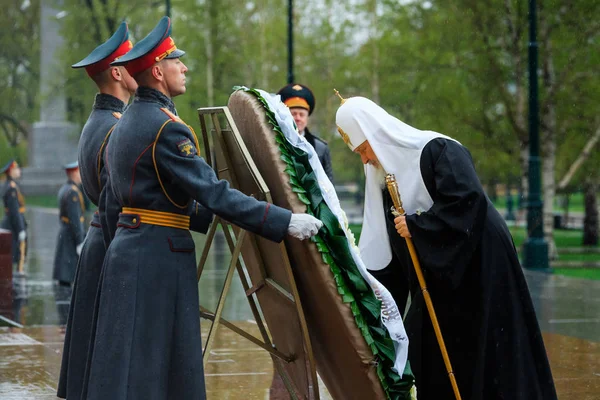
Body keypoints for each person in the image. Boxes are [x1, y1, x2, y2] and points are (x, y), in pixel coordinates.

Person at [81, 17, 322, 400]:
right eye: (177, 61)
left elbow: (119, 200)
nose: (185, 67)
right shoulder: (167, 127)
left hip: (130, 252)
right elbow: (214, 192)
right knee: (163, 368)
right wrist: (284, 220)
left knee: (135, 368)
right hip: (160, 257)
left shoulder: (127, 122)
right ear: (158, 72)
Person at [335, 95, 557, 400]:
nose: (364, 159)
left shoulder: (438, 149)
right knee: (426, 347)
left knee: (490, 349)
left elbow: (467, 201)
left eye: (363, 149)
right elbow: (390, 253)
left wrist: (417, 227)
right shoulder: (382, 180)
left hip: (480, 260)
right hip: (441, 273)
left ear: (376, 135)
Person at [57, 22, 137, 400]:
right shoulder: (113, 128)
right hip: (110, 243)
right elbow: (114, 202)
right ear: (118, 73)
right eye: (132, 60)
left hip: (98, 242)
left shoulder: (99, 121)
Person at [52, 162, 86, 333]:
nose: (81, 175)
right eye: (79, 172)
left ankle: (64, 317)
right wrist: (80, 240)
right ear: (73, 173)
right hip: (70, 236)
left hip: (64, 234)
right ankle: (66, 320)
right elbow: (76, 219)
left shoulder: (65, 189)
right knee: (68, 269)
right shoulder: (72, 192)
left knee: (66, 269)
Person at [278, 83, 334, 182]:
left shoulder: (320, 147)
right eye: (293, 114)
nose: (298, 118)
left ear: (307, 117)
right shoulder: (276, 142)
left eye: (302, 114)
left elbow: (328, 184)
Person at [1, 160, 27, 273]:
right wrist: (21, 229)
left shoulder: (9, 185)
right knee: (15, 256)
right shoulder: (12, 187)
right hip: (12, 226)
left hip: (10, 224)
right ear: (10, 171)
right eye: (16, 168)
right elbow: (15, 212)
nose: (19, 171)